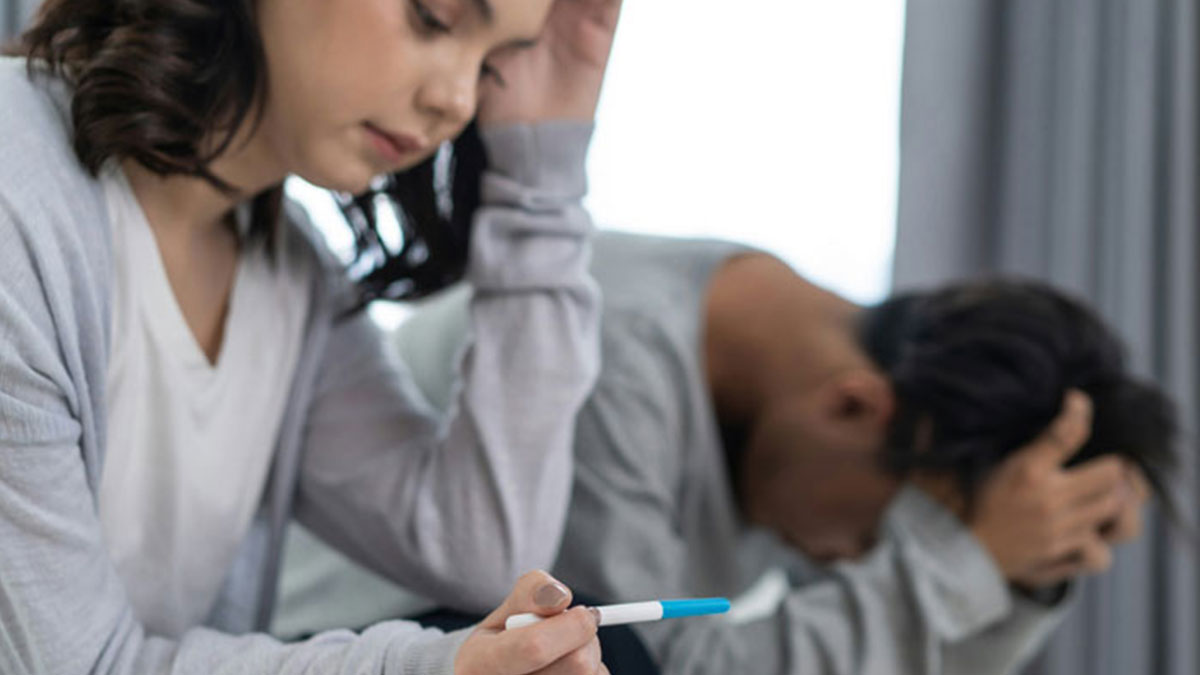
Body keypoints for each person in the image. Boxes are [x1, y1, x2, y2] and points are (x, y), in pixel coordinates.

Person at [0, 0, 628, 673]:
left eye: (494, 61)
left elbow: (480, 544)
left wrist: (541, 177)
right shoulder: (19, 202)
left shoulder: (288, 272)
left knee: (603, 643)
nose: (459, 100)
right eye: (435, 17)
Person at [275, 231, 1173, 674]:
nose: (848, 561)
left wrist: (1020, 579)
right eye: (877, 541)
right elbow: (670, 665)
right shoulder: (604, 355)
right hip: (346, 648)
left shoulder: (797, 414)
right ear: (856, 405)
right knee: (596, 650)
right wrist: (958, 568)